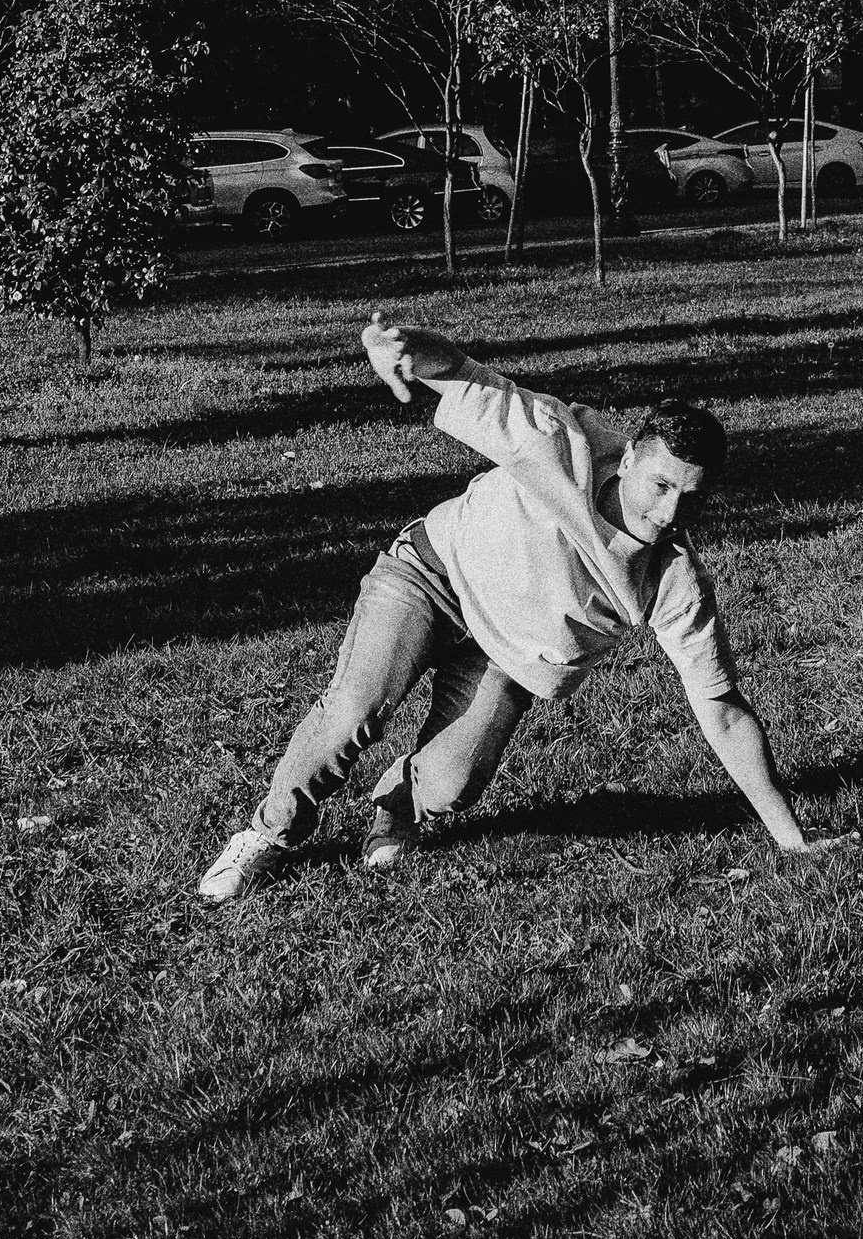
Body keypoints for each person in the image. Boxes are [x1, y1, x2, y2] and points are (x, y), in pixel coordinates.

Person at [198, 312, 828, 901]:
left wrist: (791, 840)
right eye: (660, 486)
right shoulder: (559, 439)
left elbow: (722, 711)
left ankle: (397, 807)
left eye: (690, 499)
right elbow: (462, 372)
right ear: (631, 456)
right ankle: (268, 835)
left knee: (454, 783)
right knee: (355, 712)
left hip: (508, 655)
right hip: (432, 576)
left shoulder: (673, 580)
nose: (668, 513)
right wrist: (403, 346)